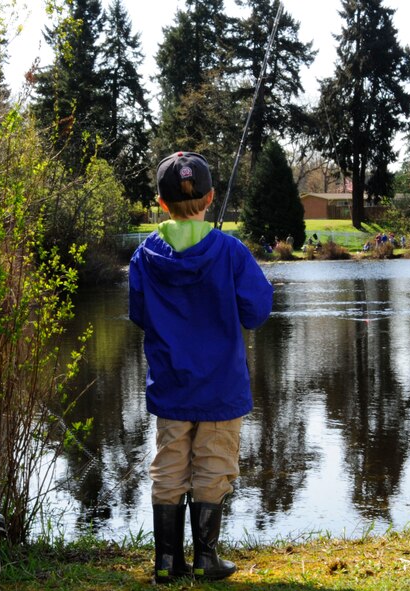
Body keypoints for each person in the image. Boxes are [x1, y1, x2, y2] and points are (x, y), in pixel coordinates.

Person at [128, 151, 273, 584]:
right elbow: (257, 311)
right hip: (221, 386)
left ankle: (165, 562)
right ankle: (206, 558)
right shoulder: (229, 250)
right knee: (214, 463)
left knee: (169, 462)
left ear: (160, 202)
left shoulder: (144, 256)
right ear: (210, 197)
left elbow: (139, 314)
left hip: (171, 383)